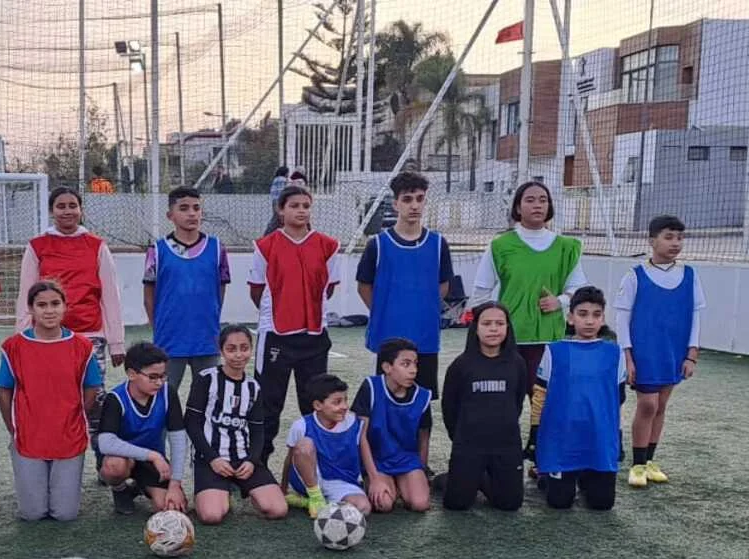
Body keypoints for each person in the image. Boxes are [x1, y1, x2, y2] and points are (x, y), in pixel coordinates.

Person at [467, 180, 589, 468]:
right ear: (518, 207)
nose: (537, 205)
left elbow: (578, 289)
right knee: (503, 404)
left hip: (548, 340)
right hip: (506, 342)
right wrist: (488, 326)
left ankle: (544, 462)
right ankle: (502, 462)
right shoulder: (500, 245)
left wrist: (559, 301)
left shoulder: (566, 247)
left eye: (543, 200)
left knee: (546, 405)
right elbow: (481, 291)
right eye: (530, 200)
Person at [248, 185, 340, 466]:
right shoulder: (265, 246)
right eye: (294, 206)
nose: (301, 211)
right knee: (268, 405)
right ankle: (258, 465)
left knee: (314, 404)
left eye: (305, 205)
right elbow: (257, 290)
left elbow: (329, 288)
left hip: (313, 337)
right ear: (281, 210)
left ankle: (317, 467)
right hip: (276, 338)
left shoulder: (328, 246)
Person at [0, 281, 104, 522]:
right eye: (41, 305)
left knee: (65, 514)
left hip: (68, 437)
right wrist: (13, 428)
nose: (49, 310)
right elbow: (4, 391)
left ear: (65, 307)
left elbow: (91, 387)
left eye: (55, 304)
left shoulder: (82, 346)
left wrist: (73, 415)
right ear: (31, 309)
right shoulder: (13, 346)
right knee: (32, 514)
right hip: (28, 438)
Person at [617, 214, 705, 489]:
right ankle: (637, 464)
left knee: (661, 405)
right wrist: (627, 355)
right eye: (669, 237)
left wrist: (691, 353)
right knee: (648, 404)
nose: (675, 243)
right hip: (645, 353)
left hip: (673, 352)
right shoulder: (635, 275)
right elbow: (621, 317)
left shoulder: (689, 275)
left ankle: (650, 460)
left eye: (680, 237)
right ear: (652, 240)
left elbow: (696, 316)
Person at [357, 171, 454, 393]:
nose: (414, 206)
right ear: (396, 203)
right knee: (386, 401)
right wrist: (385, 312)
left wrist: (423, 308)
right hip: (388, 338)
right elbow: (364, 287)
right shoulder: (378, 245)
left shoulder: (438, 244)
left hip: (425, 338)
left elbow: (443, 285)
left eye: (420, 199)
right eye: (408, 199)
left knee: (422, 405)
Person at [186, 325, 290, 525]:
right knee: (212, 516)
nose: (238, 355)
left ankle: (247, 490)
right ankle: (218, 494)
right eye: (231, 349)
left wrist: (252, 460)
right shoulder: (206, 379)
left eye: (244, 348)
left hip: (243, 459)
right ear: (221, 351)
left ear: (251, 349)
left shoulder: (253, 386)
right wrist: (213, 458)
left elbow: (258, 429)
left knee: (278, 510)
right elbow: (192, 423)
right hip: (210, 459)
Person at [538, 286, 625, 511]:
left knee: (602, 504)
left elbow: (618, 399)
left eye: (596, 315)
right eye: (583, 314)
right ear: (570, 317)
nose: (589, 321)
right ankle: (549, 475)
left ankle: (587, 474)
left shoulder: (615, 353)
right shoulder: (554, 351)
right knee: (558, 503)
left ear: (603, 319)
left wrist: (618, 439)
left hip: (599, 440)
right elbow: (540, 395)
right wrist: (534, 436)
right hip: (562, 441)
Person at [439, 303, 533, 511]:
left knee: (510, 505)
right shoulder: (461, 365)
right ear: (476, 328)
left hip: (506, 445)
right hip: (469, 445)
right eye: (487, 323)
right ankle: (450, 478)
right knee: (457, 504)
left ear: (508, 328)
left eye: (499, 323)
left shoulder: (517, 363)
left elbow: (516, 402)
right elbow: (449, 407)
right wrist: (461, 437)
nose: (493, 329)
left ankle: (484, 478)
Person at [19, 187, 125, 369]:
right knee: (52, 390)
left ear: (80, 210)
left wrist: (116, 342)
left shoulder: (97, 246)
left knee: (93, 393)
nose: (67, 211)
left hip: (90, 333)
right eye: (61, 206)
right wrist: (22, 336)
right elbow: (25, 296)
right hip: (47, 334)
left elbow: (110, 296)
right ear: (52, 211)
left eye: (72, 206)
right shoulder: (37, 246)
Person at [143, 185, 230, 394]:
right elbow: (149, 295)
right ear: (170, 215)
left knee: (208, 396)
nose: (192, 213)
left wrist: (212, 318)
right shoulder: (157, 250)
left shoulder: (217, 248)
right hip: (169, 338)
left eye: (196, 208)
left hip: (206, 337)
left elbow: (221, 289)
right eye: (184, 208)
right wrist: (159, 327)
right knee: (163, 396)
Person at [95, 342, 191, 515]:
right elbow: (105, 443)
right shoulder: (115, 398)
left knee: (171, 508)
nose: (160, 382)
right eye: (153, 377)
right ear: (132, 374)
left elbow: (178, 439)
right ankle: (120, 489)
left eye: (163, 376)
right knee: (114, 467)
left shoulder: (168, 393)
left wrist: (175, 484)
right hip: (124, 459)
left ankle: (139, 487)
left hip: (151, 462)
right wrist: (153, 455)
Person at [353, 338, 434, 513]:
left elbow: (424, 438)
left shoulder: (423, 396)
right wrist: (374, 477)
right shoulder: (371, 387)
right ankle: (383, 483)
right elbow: (361, 436)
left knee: (420, 504)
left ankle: (405, 484)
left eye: (415, 364)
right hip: (377, 460)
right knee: (383, 504)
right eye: (405, 364)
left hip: (406, 460)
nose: (413, 370)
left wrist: (421, 470)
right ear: (387, 367)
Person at [283, 373, 380, 518]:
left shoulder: (355, 422)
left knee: (363, 508)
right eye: (337, 402)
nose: (344, 406)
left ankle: (309, 503)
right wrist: (283, 488)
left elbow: (364, 452)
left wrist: (374, 479)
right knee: (304, 445)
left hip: (341, 482)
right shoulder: (301, 425)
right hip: (308, 480)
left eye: (345, 400)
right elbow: (290, 458)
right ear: (318, 405)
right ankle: (315, 497)